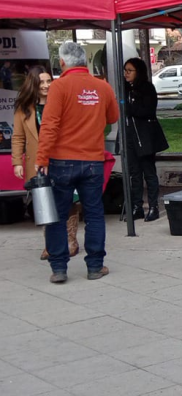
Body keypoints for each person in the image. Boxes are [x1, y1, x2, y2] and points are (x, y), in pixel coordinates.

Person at [36, 42, 118, 284]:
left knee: (58, 216)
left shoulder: (59, 86)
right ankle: (95, 266)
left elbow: (49, 126)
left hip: (62, 162)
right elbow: (112, 117)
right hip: (92, 160)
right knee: (94, 214)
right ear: (85, 61)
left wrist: (42, 158)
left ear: (62, 62)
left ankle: (59, 268)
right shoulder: (102, 86)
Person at [11, 66, 81, 261]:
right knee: (44, 203)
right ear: (33, 84)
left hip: (64, 160)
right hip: (38, 163)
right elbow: (18, 137)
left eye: (48, 81)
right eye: (41, 82)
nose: (46, 85)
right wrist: (17, 161)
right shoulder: (24, 108)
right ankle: (50, 244)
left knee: (69, 200)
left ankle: (70, 240)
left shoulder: (61, 102)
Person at [124, 58, 169, 221]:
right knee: (134, 172)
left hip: (145, 136)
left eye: (130, 70)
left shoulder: (146, 88)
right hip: (130, 135)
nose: (126, 74)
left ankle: (153, 206)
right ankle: (137, 206)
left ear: (138, 72)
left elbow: (147, 110)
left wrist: (131, 108)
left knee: (148, 171)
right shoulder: (125, 89)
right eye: (125, 70)